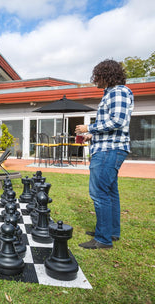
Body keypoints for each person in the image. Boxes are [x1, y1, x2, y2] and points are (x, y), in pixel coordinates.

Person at [75, 59, 134, 250]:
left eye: (97, 77)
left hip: (109, 150)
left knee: (99, 192)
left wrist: (88, 126)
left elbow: (117, 121)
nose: (95, 81)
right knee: (110, 191)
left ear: (107, 75)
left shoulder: (119, 92)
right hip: (108, 146)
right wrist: (91, 135)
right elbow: (113, 125)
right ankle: (110, 231)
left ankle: (103, 239)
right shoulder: (112, 93)